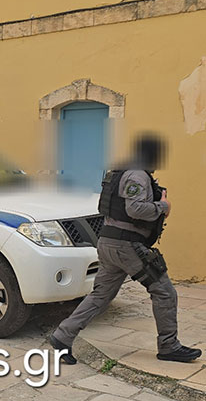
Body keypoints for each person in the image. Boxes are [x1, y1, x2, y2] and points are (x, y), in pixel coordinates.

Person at [51, 135, 201, 364]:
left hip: (110, 243)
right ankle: (169, 346)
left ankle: (62, 337)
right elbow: (135, 209)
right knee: (164, 291)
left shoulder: (123, 172)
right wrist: (163, 206)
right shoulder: (137, 175)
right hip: (126, 245)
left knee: (100, 296)